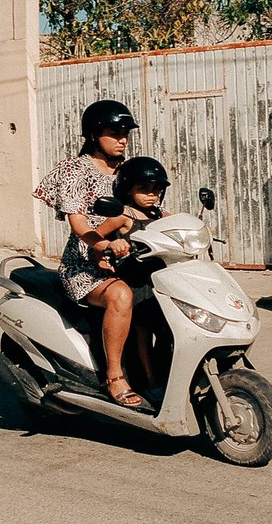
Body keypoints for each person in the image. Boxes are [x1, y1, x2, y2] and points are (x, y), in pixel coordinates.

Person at [32, 99, 144, 408]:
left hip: (131, 257)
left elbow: (148, 205)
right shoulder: (75, 171)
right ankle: (114, 376)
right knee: (120, 295)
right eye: (115, 133)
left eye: (126, 133)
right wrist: (103, 245)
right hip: (84, 265)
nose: (122, 139)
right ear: (94, 135)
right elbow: (79, 224)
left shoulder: (128, 170)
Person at [112, 156, 171, 405]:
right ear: (128, 189)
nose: (151, 194)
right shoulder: (123, 215)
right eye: (143, 189)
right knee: (143, 333)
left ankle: (169, 375)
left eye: (156, 189)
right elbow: (97, 237)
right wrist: (109, 246)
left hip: (161, 281)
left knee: (168, 329)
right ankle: (150, 381)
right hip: (137, 282)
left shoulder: (161, 214)